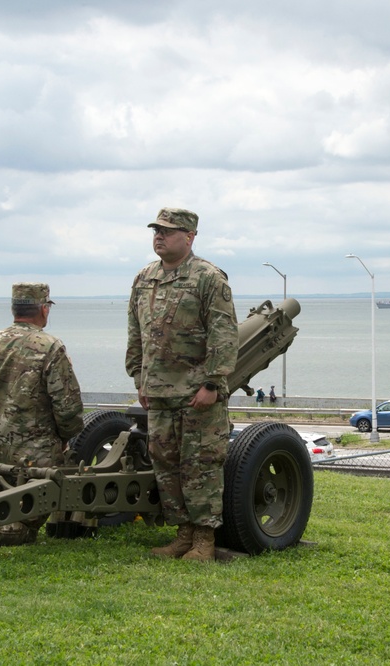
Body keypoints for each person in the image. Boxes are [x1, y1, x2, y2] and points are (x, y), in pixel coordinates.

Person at [126, 207, 238, 562]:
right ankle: (182, 534)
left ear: (189, 237)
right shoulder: (145, 278)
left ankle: (204, 539)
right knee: (166, 463)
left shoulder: (208, 277)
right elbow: (136, 331)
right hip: (158, 391)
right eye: (156, 230)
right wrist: (139, 377)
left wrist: (213, 382)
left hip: (195, 393)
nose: (159, 236)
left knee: (200, 464)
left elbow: (224, 333)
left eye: (168, 231)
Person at [0, 282, 84, 546]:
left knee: (5, 494)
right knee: (28, 518)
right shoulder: (50, 346)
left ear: (14, 309)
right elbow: (68, 408)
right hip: (35, 451)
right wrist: (67, 438)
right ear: (44, 309)